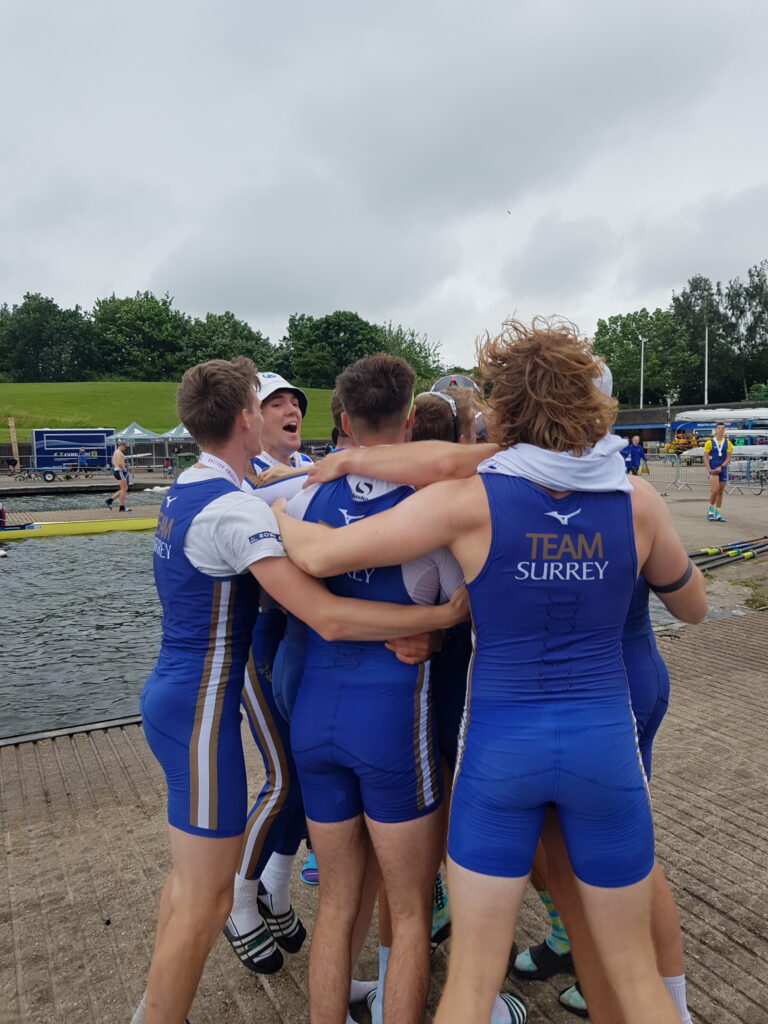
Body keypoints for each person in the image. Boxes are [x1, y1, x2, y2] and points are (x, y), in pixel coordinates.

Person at [273, 317, 707, 1024]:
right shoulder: (638, 501)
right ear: (594, 406)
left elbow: (322, 557)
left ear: (503, 409)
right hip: (605, 750)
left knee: (472, 981)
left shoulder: (470, 501)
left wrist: (277, 517)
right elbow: (692, 607)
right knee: (635, 976)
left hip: (501, 753)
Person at [135, 357, 466, 1024]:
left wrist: (334, 468)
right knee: (217, 903)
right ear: (243, 419)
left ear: (342, 422)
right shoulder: (240, 510)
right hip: (269, 712)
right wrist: (435, 622)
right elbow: (329, 613)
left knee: (238, 891)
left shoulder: (216, 490)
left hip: (249, 702)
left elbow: (278, 499)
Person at [284, 354, 465, 1024]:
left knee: (335, 900)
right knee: (411, 908)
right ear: (412, 417)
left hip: (315, 714)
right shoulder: (432, 506)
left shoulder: (302, 496)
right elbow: (465, 603)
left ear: (345, 422)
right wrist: (440, 630)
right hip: (390, 720)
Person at [703, 423, 733, 521]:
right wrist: (709, 469)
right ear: (715, 430)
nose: (720, 430)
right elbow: (706, 457)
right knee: (715, 490)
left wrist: (722, 467)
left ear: (724, 430)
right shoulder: (709, 442)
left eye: (722, 428)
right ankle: (711, 511)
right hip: (713, 469)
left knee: (720, 492)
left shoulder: (728, 443)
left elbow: (728, 458)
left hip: (722, 469)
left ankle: (718, 513)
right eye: (719, 428)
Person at [105, 441, 132, 512]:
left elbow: (112, 461)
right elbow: (120, 463)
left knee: (124, 488)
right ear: (121, 445)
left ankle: (110, 500)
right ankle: (122, 507)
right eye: (125, 447)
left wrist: (116, 466)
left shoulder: (115, 452)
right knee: (124, 489)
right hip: (120, 471)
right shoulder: (119, 453)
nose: (125, 448)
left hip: (117, 470)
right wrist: (125, 470)